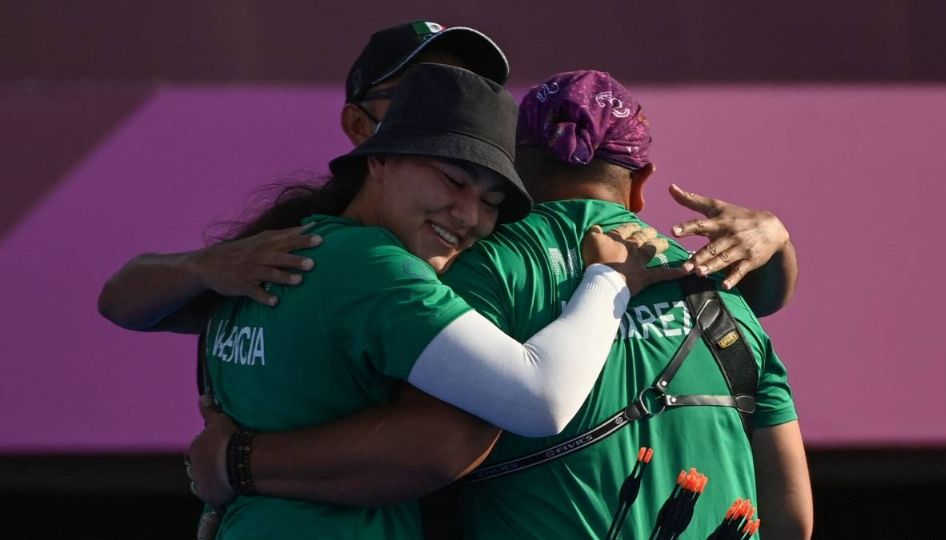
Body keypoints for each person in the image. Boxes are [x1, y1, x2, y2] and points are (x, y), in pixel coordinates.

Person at [187, 71, 813, 540]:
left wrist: (235, 464)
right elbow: (792, 519)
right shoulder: (729, 294)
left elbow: (431, 445)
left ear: (510, 167)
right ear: (643, 183)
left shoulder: (475, 268)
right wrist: (777, 236)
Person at [97, 21, 798, 333]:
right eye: (415, 101)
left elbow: (746, 297)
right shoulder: (306, 242)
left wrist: (773, 234)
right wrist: (206, 266)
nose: (468, 204)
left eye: (469, 103)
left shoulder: (514, 230)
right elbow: (122, 300)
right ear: (360, 132)